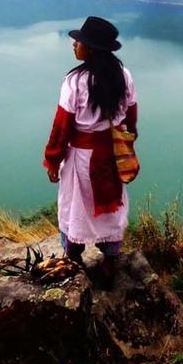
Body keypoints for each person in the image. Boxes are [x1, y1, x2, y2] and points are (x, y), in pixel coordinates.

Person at [43, 16, 138, 282]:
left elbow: (62, 126)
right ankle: (110, 259)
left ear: (92, 49)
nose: (74, 44)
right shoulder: (123, 75)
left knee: (75, 205)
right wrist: (127, 142)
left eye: (80, 41)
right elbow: (131, 117)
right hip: (110, 157)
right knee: (110, 207)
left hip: (81, 157)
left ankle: (72, 256)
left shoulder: (75, 81)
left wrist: (52, 160)